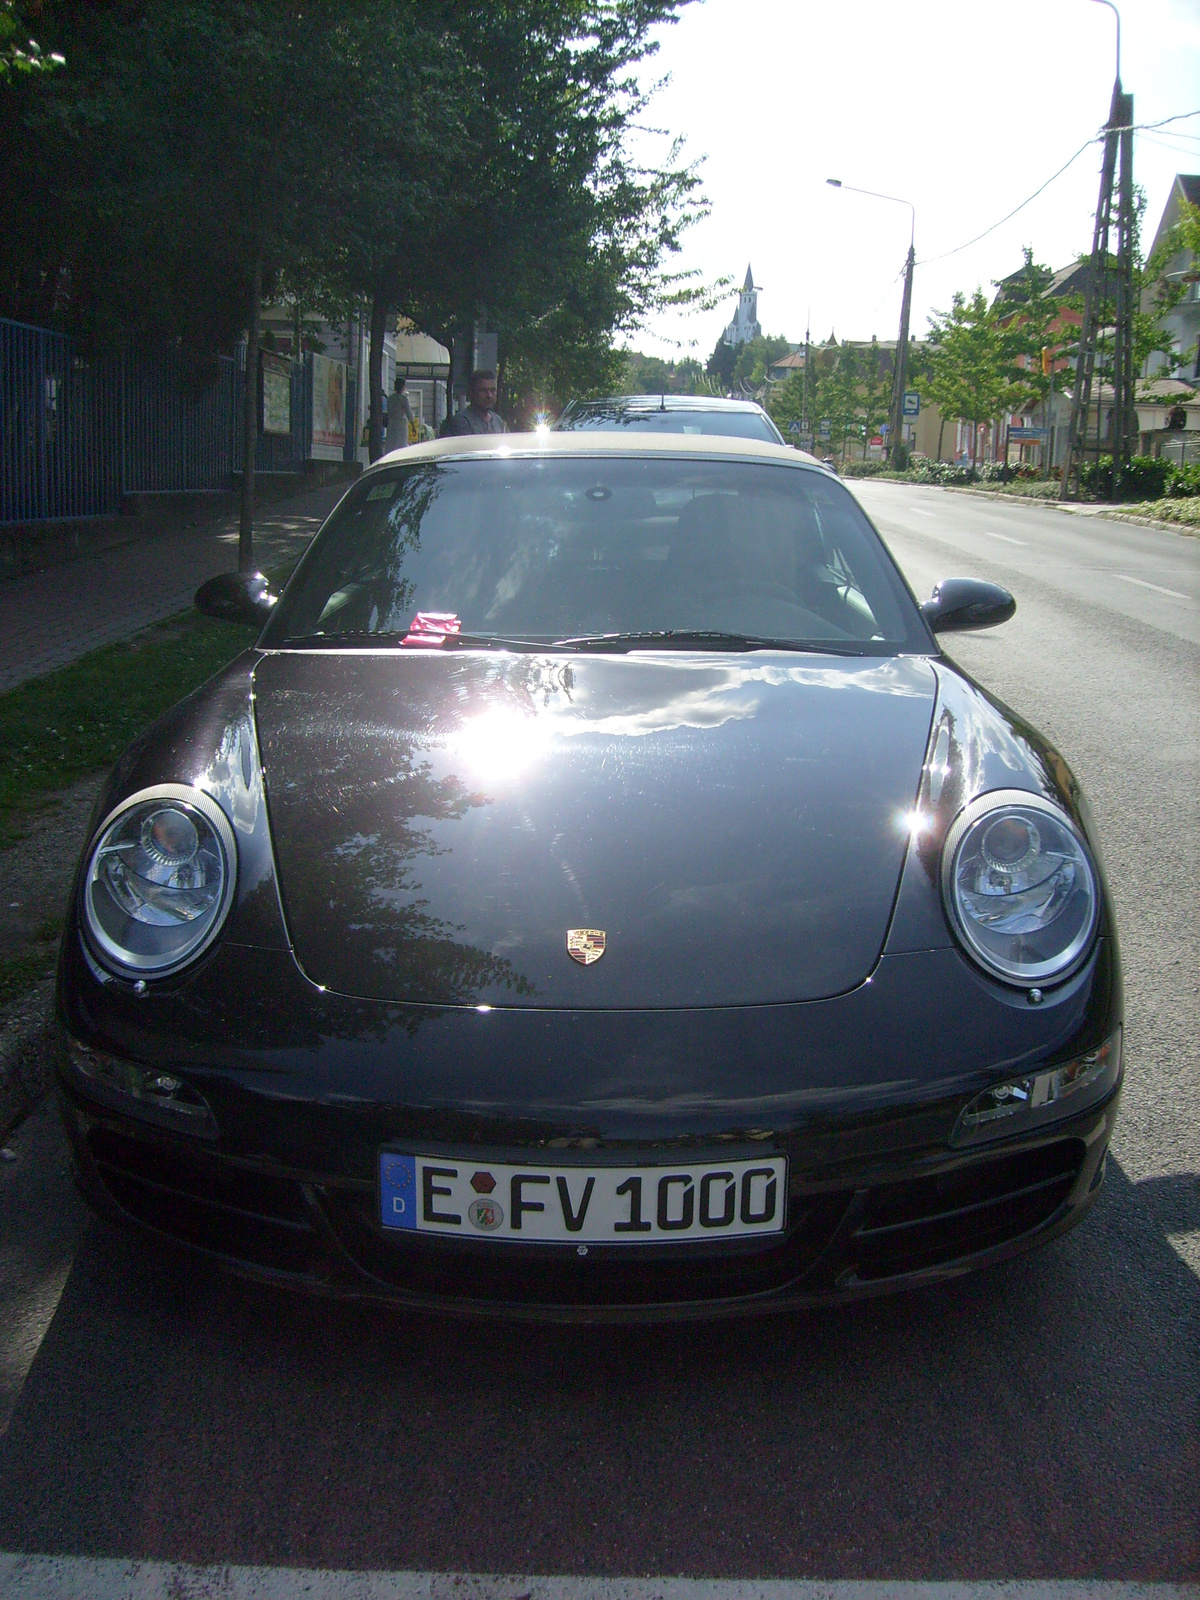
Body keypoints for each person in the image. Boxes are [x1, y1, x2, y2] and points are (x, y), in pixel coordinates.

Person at [439, 369, 508, 436]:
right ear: (472, 392)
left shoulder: (498, 421)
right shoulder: (461, 422)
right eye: (483, 390)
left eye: (492, 390)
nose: (489, 395)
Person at [391, 377, 415, 449]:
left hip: (391, 423)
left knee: (391, 443)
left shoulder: (390, 398)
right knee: (401, 443)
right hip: (401, 424)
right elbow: (408, 412)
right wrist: (413, 425)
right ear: (403, 387)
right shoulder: (403, 398)